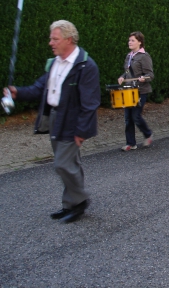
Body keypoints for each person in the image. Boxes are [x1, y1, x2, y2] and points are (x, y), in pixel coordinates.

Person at [2, 20, 100, 223]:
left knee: (62, 164)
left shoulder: (85, 66)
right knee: (70, 164)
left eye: (55, 39)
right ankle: (70, 205)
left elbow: (90, 103)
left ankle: (80, 201)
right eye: (51, 39)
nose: (50, 43)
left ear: (69, 40)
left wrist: (81, 131)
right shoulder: (55, 63)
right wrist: (18, 92)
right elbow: (40, 88)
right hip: (55, 118)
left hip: (72, 122)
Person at [118, 31, 154, 151]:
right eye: (129, 40)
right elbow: (127, 72)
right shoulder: (129, 56)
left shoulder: (144, 56)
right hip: (129, 90)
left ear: (140, 42)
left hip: (140, 90)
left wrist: (144, 78)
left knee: (136, 116)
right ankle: (131, 143)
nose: (130, 42)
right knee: (128, 118)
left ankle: (148, 134)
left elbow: (150, 75)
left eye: (132, 40)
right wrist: (122, 77)